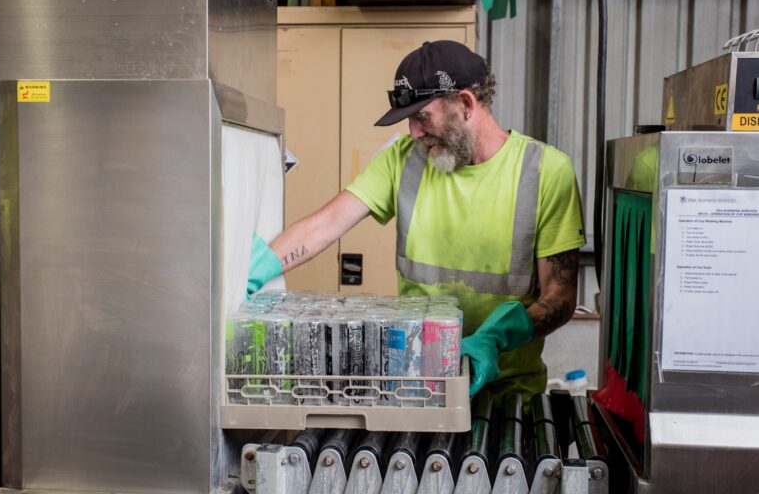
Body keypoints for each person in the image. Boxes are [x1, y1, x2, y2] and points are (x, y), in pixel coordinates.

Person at [247, 40, 585, 402]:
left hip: (508, 393)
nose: (414, 133)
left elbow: (560, 297)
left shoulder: (545, 171)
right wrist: (250, 271)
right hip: (418, 388)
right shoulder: (404, 159)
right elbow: (326, 224)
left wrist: (494, 339)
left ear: (466, 104)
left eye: (422, 116)